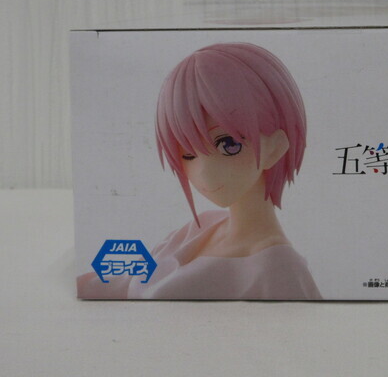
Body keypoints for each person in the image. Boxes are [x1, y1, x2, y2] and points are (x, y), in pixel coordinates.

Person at [77, 42, 321, 300]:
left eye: (228, 145)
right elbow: (122, 282)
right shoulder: (201, 226)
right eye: (188, 153)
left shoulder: (278, 268)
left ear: (276, 147)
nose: (204, 172)